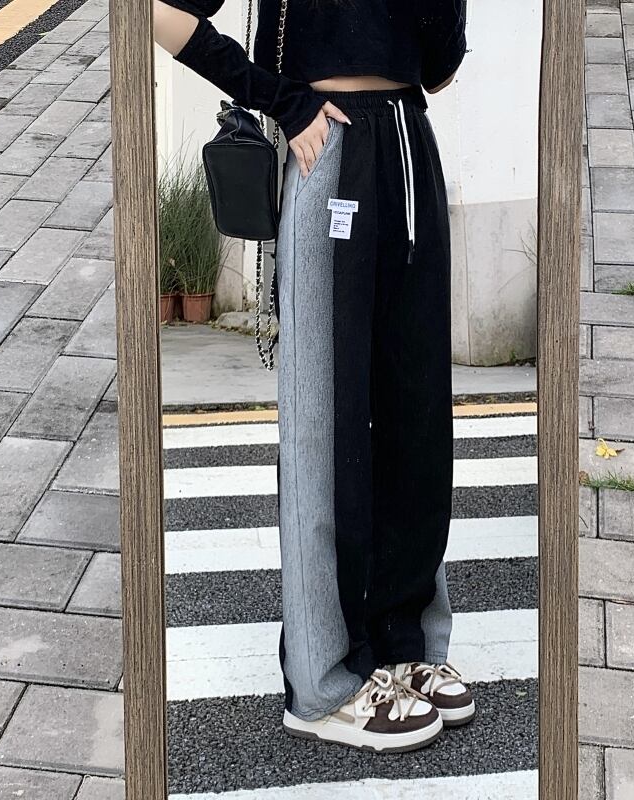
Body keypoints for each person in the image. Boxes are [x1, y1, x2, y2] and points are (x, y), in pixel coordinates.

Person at [153, 0, 470, 753]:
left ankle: (405, 643)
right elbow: (157, 13)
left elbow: (438, 70)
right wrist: (283, 101)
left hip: (410, 146)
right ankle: (322, 682)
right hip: (327, 149)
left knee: (417, 414)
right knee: (323, 420)